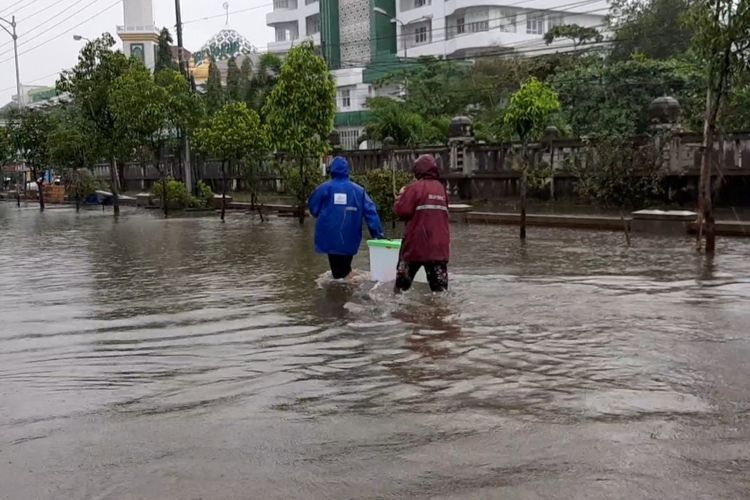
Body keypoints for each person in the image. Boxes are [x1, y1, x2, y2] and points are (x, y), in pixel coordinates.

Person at [308, 156, 385, 280]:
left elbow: (313, 207)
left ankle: (346, 294)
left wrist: (323, 216)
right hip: (350, 238)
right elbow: (371, 213)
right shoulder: (359, 191)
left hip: (330, 238)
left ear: (331, 170)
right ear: (347, 170)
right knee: (344, 270)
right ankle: (348, 293)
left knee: (337, 273)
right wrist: (378, 236)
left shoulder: (323, 189)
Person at [393, 154, 450, 293]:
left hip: (415, 247)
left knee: (400, 290)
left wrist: (400, 198)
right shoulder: (442, 190)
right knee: (440, 293)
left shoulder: (414, 188)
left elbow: (401, 211)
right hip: (438, 249)